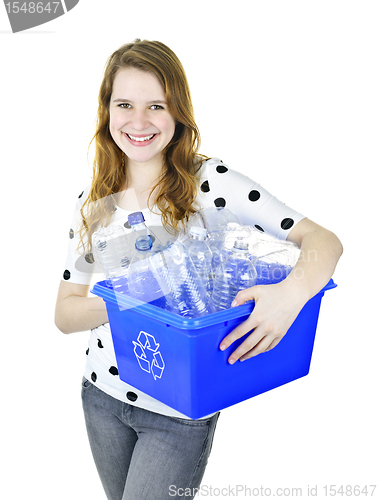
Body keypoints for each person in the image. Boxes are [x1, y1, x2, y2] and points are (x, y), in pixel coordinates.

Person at [54, 39, 343, 500]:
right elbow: (66, 313)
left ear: (178, 114)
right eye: (124, 104)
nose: (139, 121)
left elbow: (323, 240)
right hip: (102, 394)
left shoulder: (210, 182)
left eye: (157, 106)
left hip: (179, 409)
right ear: (107, 111)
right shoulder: (93, 206)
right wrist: (130, 300)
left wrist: (293, 295)